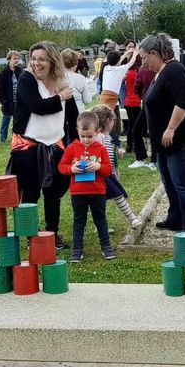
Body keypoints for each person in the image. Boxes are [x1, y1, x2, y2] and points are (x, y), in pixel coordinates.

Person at [8, 41, 77, 249]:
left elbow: (73, 116)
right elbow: (38, 107)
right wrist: (60, 98)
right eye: (34, 58)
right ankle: (30, 235)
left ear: (52, 61)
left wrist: (76, 143)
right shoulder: (26, 79)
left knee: (53, 192)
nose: (36, 63)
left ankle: (52, 233)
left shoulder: (62, 82)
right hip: (28, 146)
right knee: (30, 193)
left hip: (55, 145)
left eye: (42, 59)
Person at [139, 33, 185, 231]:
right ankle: (175, 218)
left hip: (180, 139)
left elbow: (183, 103)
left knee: (183, 185)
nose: (143, 63)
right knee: (169, 183)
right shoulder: (159, 73)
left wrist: (170, 128)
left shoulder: (175, 70)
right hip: (164, 142)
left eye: (144, 58)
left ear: (155, 53)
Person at [58, 111, 115, 262]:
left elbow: (108, 170)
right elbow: (61, 167)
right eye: (82, 136)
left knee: (100, 219)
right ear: (78, 131)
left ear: (97, 132)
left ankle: (106, 247)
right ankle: (77, 250)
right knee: (79, 221)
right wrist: (71, 169)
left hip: (97, 192)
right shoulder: (71, 148)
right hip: (78, 193)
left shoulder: (101, 149)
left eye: (90, 136)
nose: (86, 140)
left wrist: (98, 166)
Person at [94, 104, 143, 229]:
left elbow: (110, 150)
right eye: (113, 121)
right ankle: (132, 218)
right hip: (103, 174)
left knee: (104, 199)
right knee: (118, 196)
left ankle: (101, 224)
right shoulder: (99, 137)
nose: (114, 124)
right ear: (107, 121)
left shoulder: (107, 136)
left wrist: (117, 150)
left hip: (109, 173)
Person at [99, 45, 136, 152]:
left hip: (103, 96)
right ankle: (115, 144)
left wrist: (127, 52)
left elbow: (118, 62)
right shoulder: (120, 69)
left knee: (103, 120)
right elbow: (131, 63)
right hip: (111, 99)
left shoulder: (106, 68)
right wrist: (135, 53)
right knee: (111, 123)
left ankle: (108, 143)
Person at [61, 48, 95, 142]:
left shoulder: (57, 77)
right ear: (76, 63)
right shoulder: (80, 79)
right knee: (76, 141)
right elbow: (87, 100)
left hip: (61, 114)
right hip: (78, 113)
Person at [0, 50, 22, 145]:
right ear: (9, 60)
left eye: (18, 59)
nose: (16, 60)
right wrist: (4, 101)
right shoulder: (3, 73)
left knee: (17, 121)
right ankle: (3, 139)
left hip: (18, 103)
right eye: (14, 58)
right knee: (5, 122)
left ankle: (16, 138)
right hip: (7, 103)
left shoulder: (20, 71)